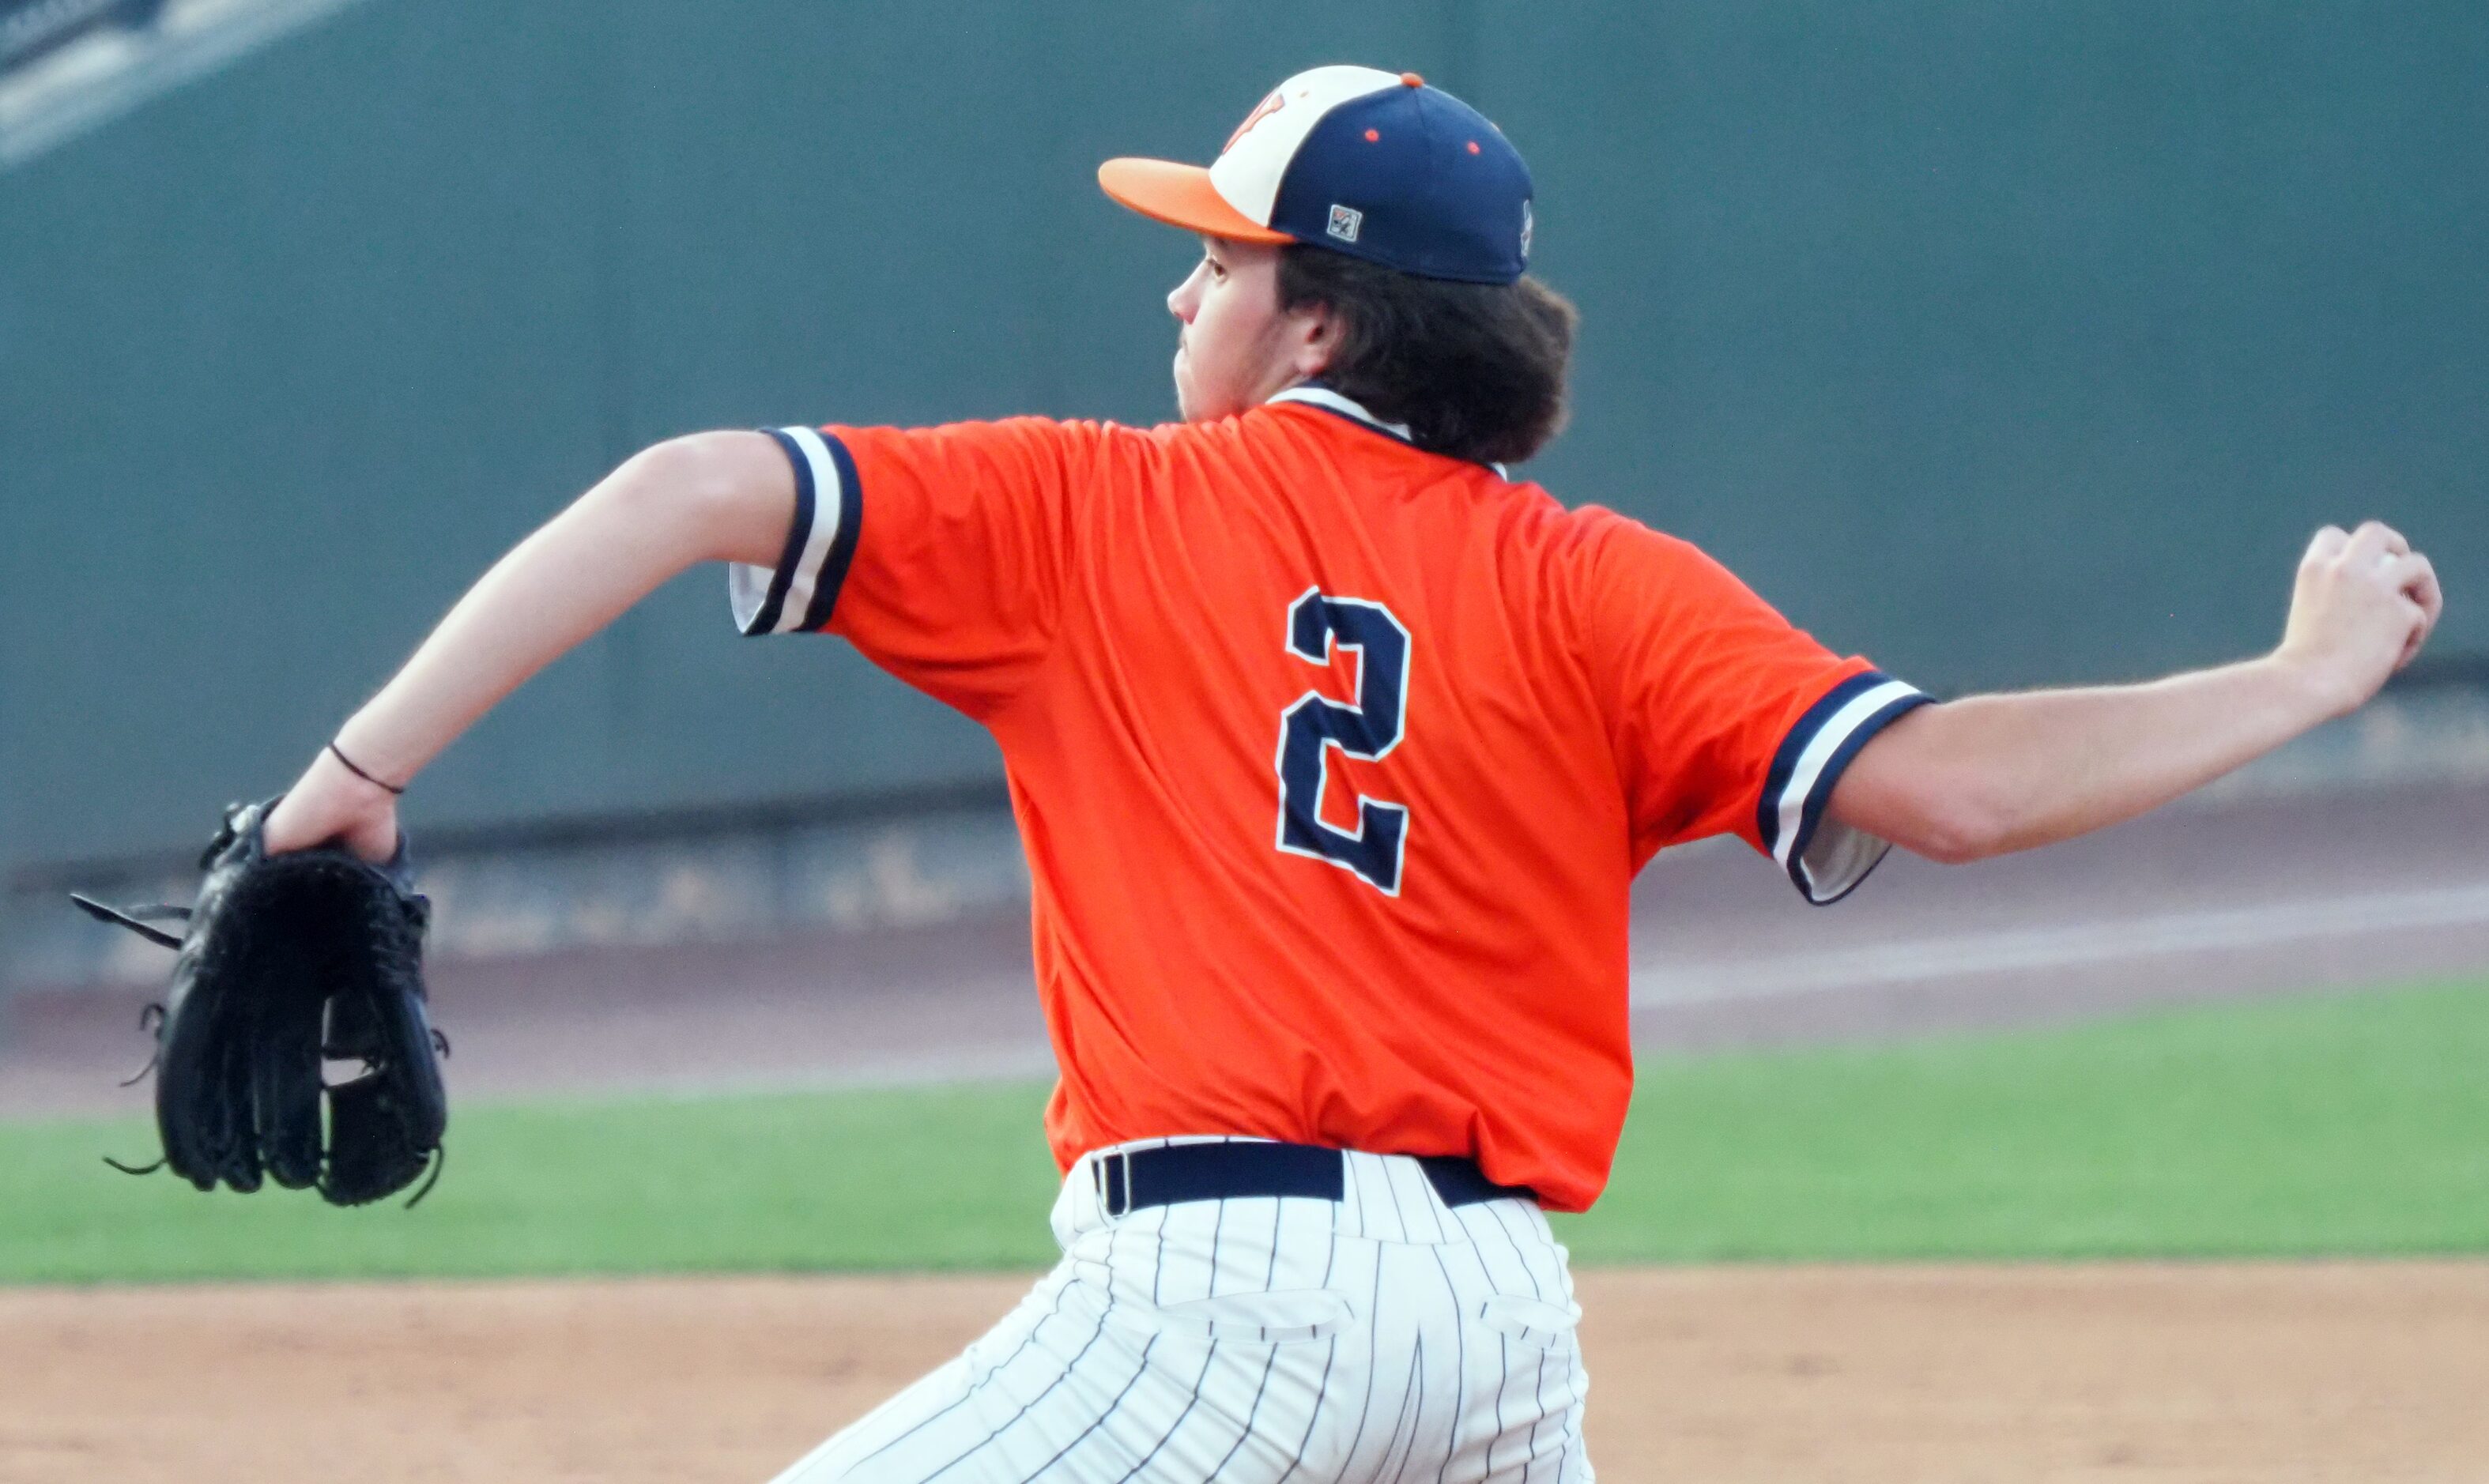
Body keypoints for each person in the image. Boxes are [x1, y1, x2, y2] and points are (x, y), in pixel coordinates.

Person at [261, 65, 2441, 1483]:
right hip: (1498, 1340)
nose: (1183, 296)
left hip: (1221, 1305)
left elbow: (682, 487)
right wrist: (2297, 675)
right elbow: (1944, 787)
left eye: (1216, 259)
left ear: (1317, 320)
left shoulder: (1100, 509)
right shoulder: (1603, 583)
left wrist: (345, 784)